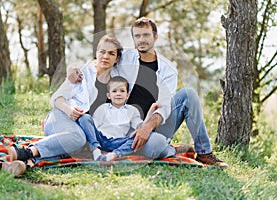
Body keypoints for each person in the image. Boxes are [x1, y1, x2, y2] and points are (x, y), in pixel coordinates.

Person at [2, 34, 185, 176]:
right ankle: (24, 152)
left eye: (111, 53)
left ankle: (25, 163)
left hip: (89, 132)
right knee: (78, 139)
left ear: (117, 59)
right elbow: (57, 99)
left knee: (81, 147)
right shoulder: (82, 74)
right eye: (102, 51)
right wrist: (69, 110)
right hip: (62, 118)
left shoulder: (118, 83)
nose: (105, 56)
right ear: (96, 53)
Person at [68, 17, 228, 169]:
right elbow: (103, 60)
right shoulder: (125, 58)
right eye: (137, 36)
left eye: (146, 35)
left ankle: (204, 153)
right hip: (124, 125)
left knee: (188, 95)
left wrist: (147, 127)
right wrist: (74, 68)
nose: (141, 40)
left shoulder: (168, 69)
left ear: (155, 37)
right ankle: (170, 149)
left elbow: (164, 106)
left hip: (155, 125)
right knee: (153, 149)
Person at [77, 76, 160, 161]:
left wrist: (151, 111)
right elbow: (93, 127)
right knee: (84, 118)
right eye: (114, 91)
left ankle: (114, 155)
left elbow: (141, 127)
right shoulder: (102, 108)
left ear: (127, 95)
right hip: (101, 140)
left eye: (122, 91)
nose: (118, 94)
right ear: (108, 95)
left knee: (137, 136)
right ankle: (95, 151)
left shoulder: (132, 110)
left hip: (119, 142)